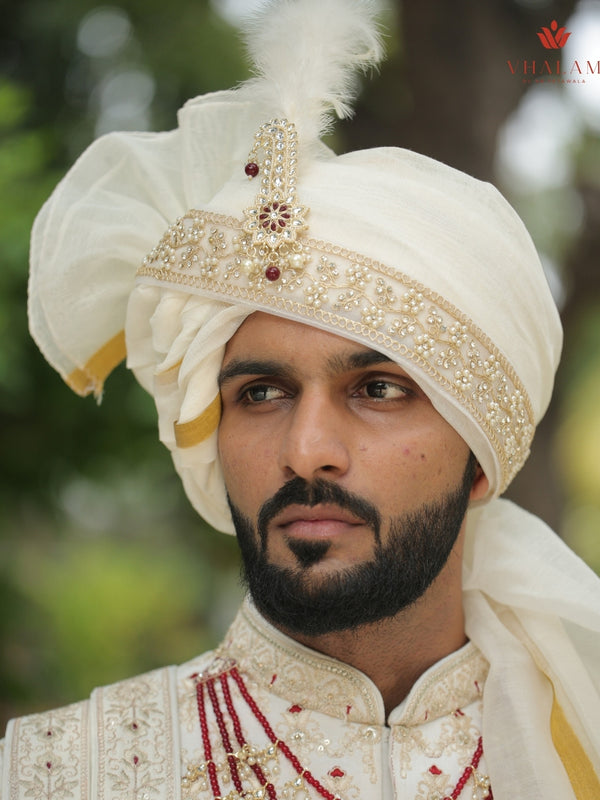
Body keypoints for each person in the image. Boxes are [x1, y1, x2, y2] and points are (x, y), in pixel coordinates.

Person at [3, 1, 600, 798]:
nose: (305, 446)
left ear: (481, 459)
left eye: (378, 389)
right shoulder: (56, 773)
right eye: (260, 393)